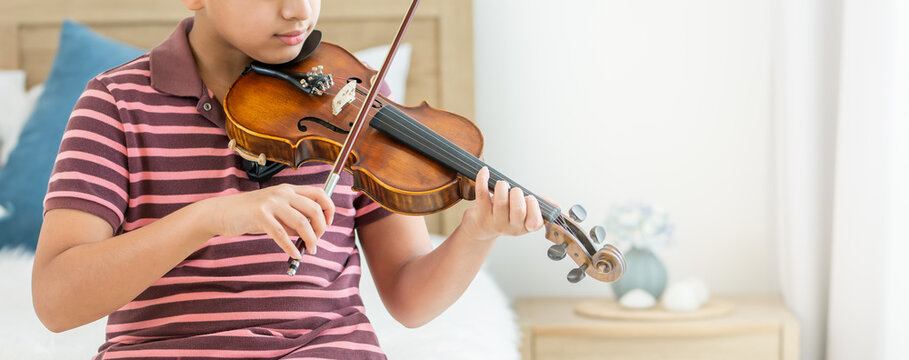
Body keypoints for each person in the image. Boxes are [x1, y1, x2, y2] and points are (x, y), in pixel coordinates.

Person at [31, 0, 545, 359]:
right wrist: (209, 217)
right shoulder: (116, 104)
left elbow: (410, 300)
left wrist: (477, 233)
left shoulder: (355, 97)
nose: (299, 9)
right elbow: (56, 302)